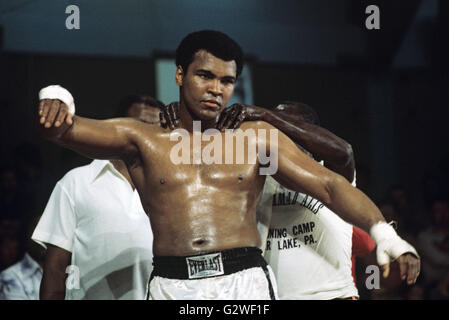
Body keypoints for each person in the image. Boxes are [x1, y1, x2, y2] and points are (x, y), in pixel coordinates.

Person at [36, 30, 419, 300]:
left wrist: (384, 233)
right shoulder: (142, 139)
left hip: (244, 280)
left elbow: (329, 185)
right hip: (173, 282)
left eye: (227, 80)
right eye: (205, 75)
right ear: (180, 74)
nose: (216, 88)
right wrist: (56, 97)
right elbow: (64, 131)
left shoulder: (255, 139)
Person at [214, 101, 378, 299]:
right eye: (277, 131)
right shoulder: (257, 180)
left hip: (333, 296)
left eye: (290, 127)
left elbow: (345, 152)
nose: (284, 136)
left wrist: (375, 287)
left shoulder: (331, 174)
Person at [31, 94, 163, 300]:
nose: (145, 135)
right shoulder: (76, 182)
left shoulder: (172, 189)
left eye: (155, 129)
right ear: (116, 128)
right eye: (139, 126)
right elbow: (55, 270)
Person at [0, 214, 45, 300]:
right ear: (28, 235)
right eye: (39, 231)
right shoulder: (9, 277)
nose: (44, 239)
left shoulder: (67, 273)